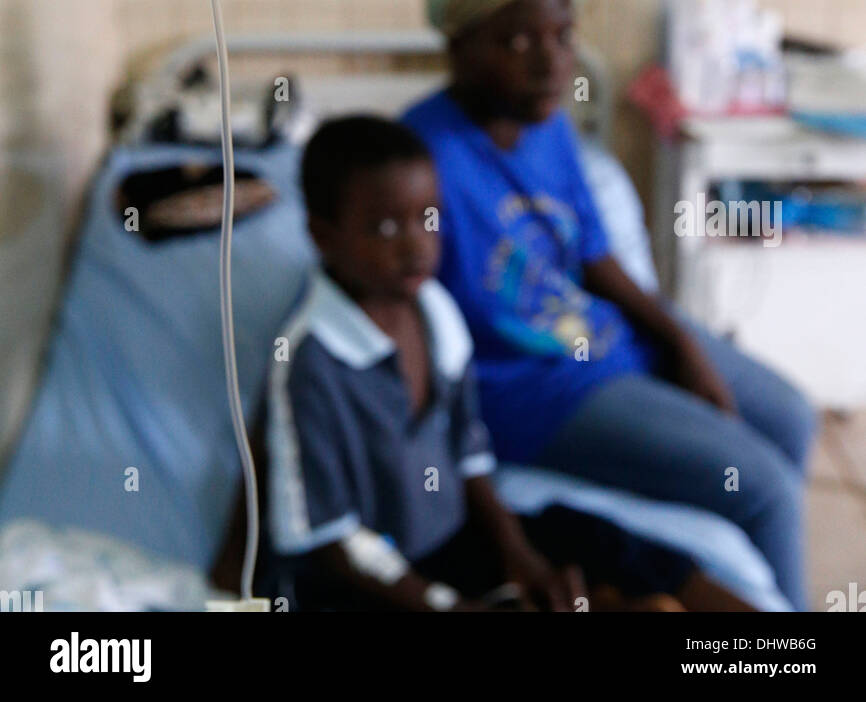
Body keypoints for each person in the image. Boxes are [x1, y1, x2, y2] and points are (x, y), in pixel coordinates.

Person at [402, 0, 816, 612]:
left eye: (563, 36)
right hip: (534, 391)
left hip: (603, 335)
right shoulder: (424, 161)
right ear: (459, 46)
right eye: (517, 41)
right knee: (762, 488)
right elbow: (405, 317)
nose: (551, 62)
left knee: (792, 417)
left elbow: (593, 254)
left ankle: (762, 591)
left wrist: (679, 341)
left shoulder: (546, 123)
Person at [265, 114, 755, 612]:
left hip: (451, 542)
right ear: (323, 235)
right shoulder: (311, 362)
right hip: (366, 582)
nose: (415, 245)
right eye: (385, 227)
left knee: (591, 538)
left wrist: (517, 552)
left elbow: (469, 455)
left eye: (428, 219)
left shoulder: (434, 313)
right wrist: (446, 605)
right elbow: (330, 539)